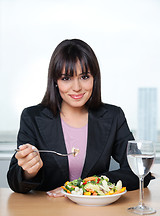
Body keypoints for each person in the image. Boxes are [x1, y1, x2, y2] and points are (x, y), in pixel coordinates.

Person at [7, 39, 151, 196]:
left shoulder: (113, 117)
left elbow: (138, 174)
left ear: (94, 78)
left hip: (96, 214)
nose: (76, 88)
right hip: (48, 212)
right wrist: (28, 171)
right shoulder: (32, 117)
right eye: (66, 78)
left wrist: (84, 186)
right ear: (55, 81)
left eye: (84, 77)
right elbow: (15, 181)